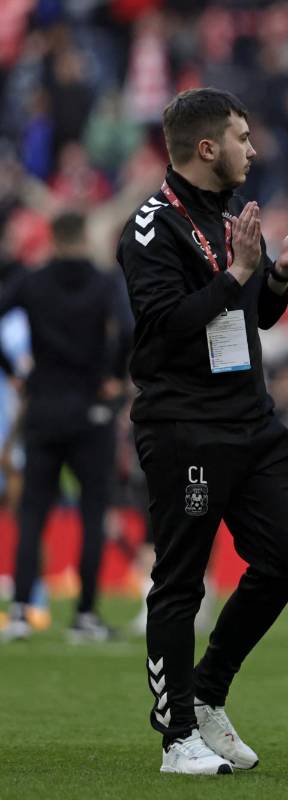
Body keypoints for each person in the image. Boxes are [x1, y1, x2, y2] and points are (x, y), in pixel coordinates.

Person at [117, 87, 288, 776]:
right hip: (186, 426)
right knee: (181, 581)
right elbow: (162, 330)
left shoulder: (233, 220)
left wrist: (274, 275)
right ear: (207, 147)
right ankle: (177, 734)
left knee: (285, 563)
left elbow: (254, 319)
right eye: (243, 136)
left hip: (252, 421)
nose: (254, 149)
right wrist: (240, 272)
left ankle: (208, 691)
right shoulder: (152, 228)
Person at [0, 211, 131, 643]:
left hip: (43, 407)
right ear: (84, 236)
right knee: (93, 513)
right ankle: (85, 615)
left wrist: (15, 371)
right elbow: (128, 330)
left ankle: (21, 609)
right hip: (90, 410)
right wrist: (113, 375)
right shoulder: (103, 281)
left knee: (33, 511)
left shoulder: (33, 280)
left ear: (53, 238)